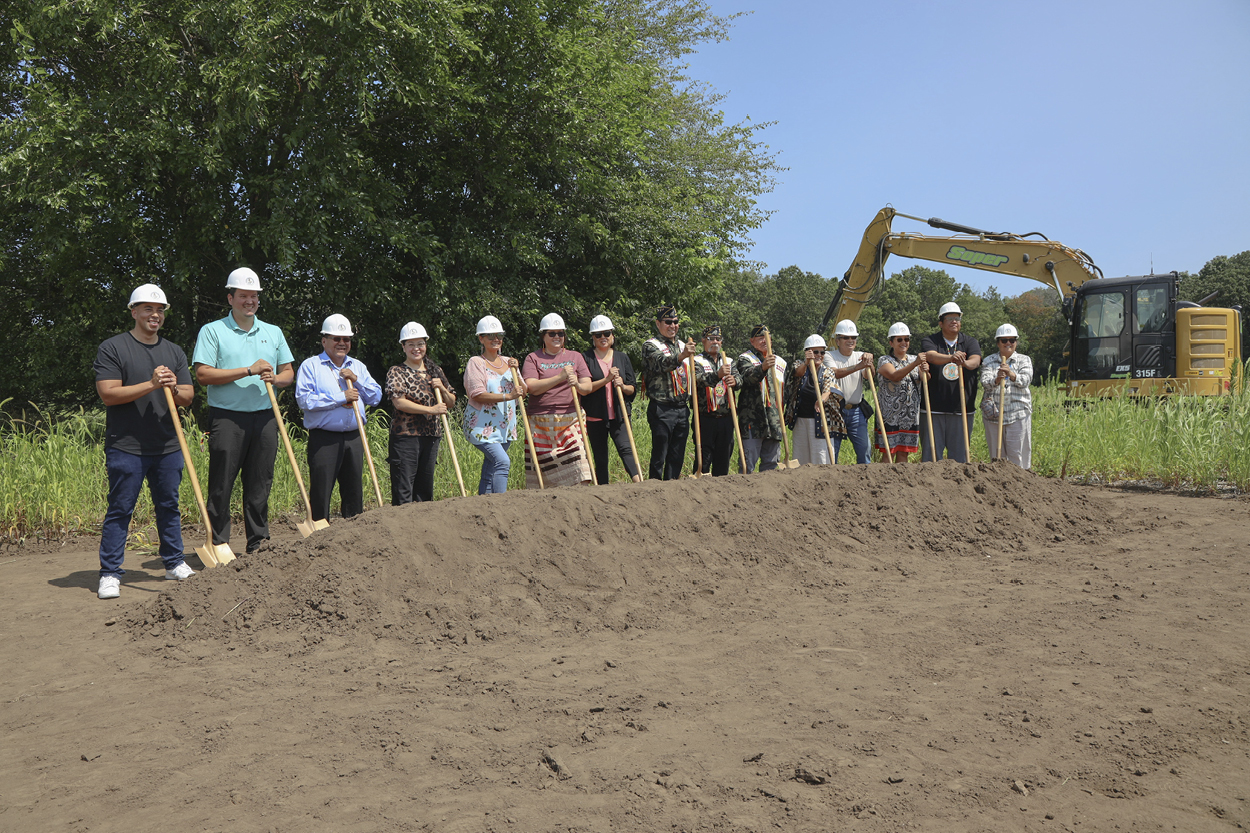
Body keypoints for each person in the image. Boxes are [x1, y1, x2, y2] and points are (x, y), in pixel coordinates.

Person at [93, 284, 197, 599]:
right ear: (134, 311)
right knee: (120, 508)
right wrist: (150, 384)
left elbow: (188, 397)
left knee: (169, 505)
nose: (155, 315)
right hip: (126, 446)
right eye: (148, 309)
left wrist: (172, 388)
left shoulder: (174, 351)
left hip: (167, 445)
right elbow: (109, 394)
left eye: (160, 309)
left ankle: (174, 562)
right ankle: (110, 573)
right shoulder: (113, 348)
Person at [192, 267, 294, 554]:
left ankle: (258, 541)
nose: (249, 301)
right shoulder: (212, 331)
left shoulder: (273, 332)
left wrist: (276, 378)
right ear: (230, 298)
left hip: (264, 417)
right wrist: (249, 370)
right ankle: (219, 542)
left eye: (254, 296)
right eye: (243, 296)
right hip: (227, 417)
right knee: (222, 482)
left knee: (260, 481)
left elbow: (288, 373)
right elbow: (203, 374)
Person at [294, 315, 383, 521]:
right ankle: (319, 537)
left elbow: (376, 397)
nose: (342, 343)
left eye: (346, 339)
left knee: (354, 491)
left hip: (354, 436)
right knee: (321, 491)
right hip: (324, 438)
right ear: (324, 340)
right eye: (336, 338)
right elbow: (305, 400)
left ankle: (352, 539)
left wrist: (356, 380)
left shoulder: (357, 366)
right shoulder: (311, 366)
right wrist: (339, 398)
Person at [385, 322, 456, 505]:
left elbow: (451, 402)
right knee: (404, 487)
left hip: (431, 435)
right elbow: (399, 402)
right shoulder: (397, 371)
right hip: (406, 436)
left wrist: (442, 389)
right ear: (403, 347)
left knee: (424, 489)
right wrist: (430, 410)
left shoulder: (435, 370)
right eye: (411, 344)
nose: (416, 348)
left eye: (420, 344)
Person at [521, 313, 594, 487]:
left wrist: (576, 383)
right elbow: (531, 387)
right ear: (543, 336)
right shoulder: (533, 358)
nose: (557, 337)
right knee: (544, 470)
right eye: (552, 333)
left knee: (579, 461)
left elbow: (587, 387)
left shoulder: (575, 357)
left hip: (570, 418)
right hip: (540, 420)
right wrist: (560, 377)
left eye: (560, 333)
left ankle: (580, 498)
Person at [463, 315, 526, 495]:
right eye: (490, 336)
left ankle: (486, 508)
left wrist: (517, 372)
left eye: (498, 335)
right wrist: (508, 396)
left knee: (490, 469)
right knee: (502, 462)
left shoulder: (509, 362)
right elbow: (477, 393)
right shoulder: (476, 362)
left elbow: (523, 390)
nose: (495, 339)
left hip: (505, 426)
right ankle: (501, 505)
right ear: (481, 338)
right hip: (481, 425)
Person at [580, 315, 641, 484]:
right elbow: (584, 389)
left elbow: (632, 388)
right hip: (595, 415)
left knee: (626, 449)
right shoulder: (585, 358)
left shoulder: (622, 357)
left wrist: (622, 386)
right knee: (600, 457)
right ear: (593, 338)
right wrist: (606, 380)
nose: (603, 338)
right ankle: (603, 491)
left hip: (620, 414)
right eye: (598, 335)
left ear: (612, 335)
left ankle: (639, 483)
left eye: (606, 333)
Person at [920, 302, 982, 462]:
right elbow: (931, 356)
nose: (954, 321)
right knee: (931, 457)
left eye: (957, 318)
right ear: (941, 323)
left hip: (961, 408)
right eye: (950, 318)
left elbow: (975, 360)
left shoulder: (969, 342)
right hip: (934, 408)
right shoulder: (931, 340)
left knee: (960, 458)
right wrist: (952, 358)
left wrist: (965, 363)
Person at [641, 304, 698, 480]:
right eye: (668, 322)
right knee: (660, 453)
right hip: (662, 408)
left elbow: (694, 376)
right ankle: (654, 488)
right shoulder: (651, 345)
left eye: (675, 322)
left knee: (677, 455)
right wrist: (682, 356)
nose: (672, 325)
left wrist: (718, 376)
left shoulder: (683, 345)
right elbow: (661, 363)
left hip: (681, 407)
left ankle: (672, 490)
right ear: (658, 324)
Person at [732, 324, 788, 472]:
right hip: (753, 420)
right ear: (752, 341)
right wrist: (762, 367)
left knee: (771, 464)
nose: (764, 341)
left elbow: (784, 391)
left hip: (774, 420)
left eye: (767, 337)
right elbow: (747, 378)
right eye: (760, 338)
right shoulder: (745, 359)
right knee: (747, 464)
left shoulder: (781, 362)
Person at [980, 324, 1034, 469]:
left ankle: (1020, 485)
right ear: (998, 342)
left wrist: (1011, 374)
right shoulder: (988, 361)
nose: (1008, 343)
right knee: (997, 457)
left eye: (1012, 340)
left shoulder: (1024, 360)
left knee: (1017, 455)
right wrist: (997, 379)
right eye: (1004, 340)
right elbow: (985, 383)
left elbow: (1025, 381)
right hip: (994, 415)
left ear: (1016, 342)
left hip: (1018, 414)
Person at [690, 325, 740, 475]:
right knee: (704, 459)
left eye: (718, 339)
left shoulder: (728, 361)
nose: (715, 342)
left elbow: (739, 378)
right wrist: (717, 375)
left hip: (726, 417)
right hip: (705, 417)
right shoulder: (696, 361)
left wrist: (735, 381)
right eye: (711, 339)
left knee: (723, 458)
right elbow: (697, 380)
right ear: (703, 341)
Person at [875, 322, 927, 463]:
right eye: (899, 339)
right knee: (888, 453)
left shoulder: (913, 359)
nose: (904, 342)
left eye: (906, 339)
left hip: (910, 416)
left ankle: (900, 482)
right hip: (890, 416)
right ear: (891, 342)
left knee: (904, 453)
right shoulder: (884, 360)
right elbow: (895, 376)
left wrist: (925, 370)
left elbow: (925, 379)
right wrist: (916, 363)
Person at [790, 334, 844, 466]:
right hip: (801, 419)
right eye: (815, 352)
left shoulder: (827, 371)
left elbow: (828, 389)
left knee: (820, 457)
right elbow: (797, 373)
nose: (819, 355)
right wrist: (807, 362)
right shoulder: (799, 365)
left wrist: (821, 400)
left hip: (820, 420)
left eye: (822, 352)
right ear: (807, 352)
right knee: (801, 456)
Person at [826, 319, 874, 464]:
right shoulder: (830, 355)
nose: (850, 340)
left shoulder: (860, 356)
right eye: (846, 337)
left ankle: (866, 478)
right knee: (832, 451)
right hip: (835, 410)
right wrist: (859, 366)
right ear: (837, 340)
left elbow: (869, 375)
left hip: (856, 411)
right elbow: (835, 373)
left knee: (865, 449)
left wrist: (869, 363)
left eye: (853, 337)